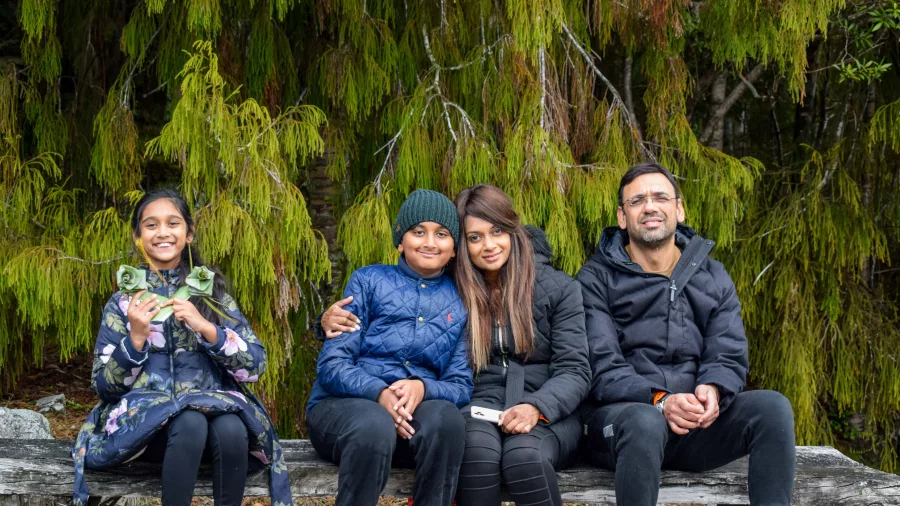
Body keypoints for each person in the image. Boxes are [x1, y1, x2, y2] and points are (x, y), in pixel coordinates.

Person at [321, 184, 590, 506]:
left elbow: (574, 368)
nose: (488, 245)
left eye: (497, 231)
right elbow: (381, 318)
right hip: (475, 404)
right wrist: (324, 323)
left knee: (515, 453)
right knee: (474, 451)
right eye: (475, 237)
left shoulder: (553, 288)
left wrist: (537, 406)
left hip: (544, 406)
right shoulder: (454, 285)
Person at [577, 163, 796, 506]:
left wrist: (714, 389)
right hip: (623, 426)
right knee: (644, 421)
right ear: (622, 217)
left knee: (772, 408)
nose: (650, 206)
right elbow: (600, 365)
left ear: (678, 209)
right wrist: (660, 400)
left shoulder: (712, 274)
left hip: (694, 425)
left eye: (660, 197)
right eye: (637, 201)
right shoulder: (595, 279)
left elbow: (727, 350)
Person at [72, 189, 290, 506]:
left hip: (216, 424)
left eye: (173, 223)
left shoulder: (211, 293)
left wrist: (207, 328)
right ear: (137, 236)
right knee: (189, 421)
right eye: (151, 225)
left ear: (188, 234)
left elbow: (255, 367)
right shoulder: (123, 302)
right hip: (148, 432)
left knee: (230, 426)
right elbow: (105, 387)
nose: (162, 232)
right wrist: (134, 339)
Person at [306, 189, 473, 506]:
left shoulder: (462, 301)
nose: (429, 242)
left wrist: (422, 388)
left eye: (442, 234)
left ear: (453, 249)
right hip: (345, 412)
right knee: (374, 423)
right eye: (418, 231)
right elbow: (333, 366)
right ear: (400, 240)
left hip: (413, 424)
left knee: (448, 420)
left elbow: (460, 384)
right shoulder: (368, 281)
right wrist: (379, 393)